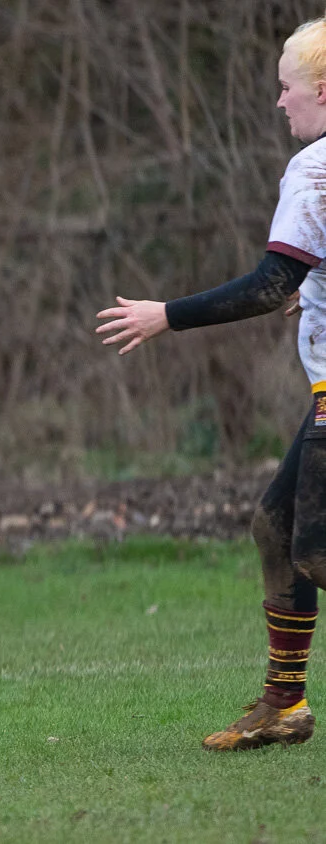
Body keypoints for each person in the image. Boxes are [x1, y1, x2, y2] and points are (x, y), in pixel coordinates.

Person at [96, 16, 326, 751]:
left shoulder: (314, 168)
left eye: (286, 89)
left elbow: (268, 285)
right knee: (277, 528)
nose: (278, 103)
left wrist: (167, 314)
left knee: (317, 550)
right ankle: (285, 703)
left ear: (321, 91)